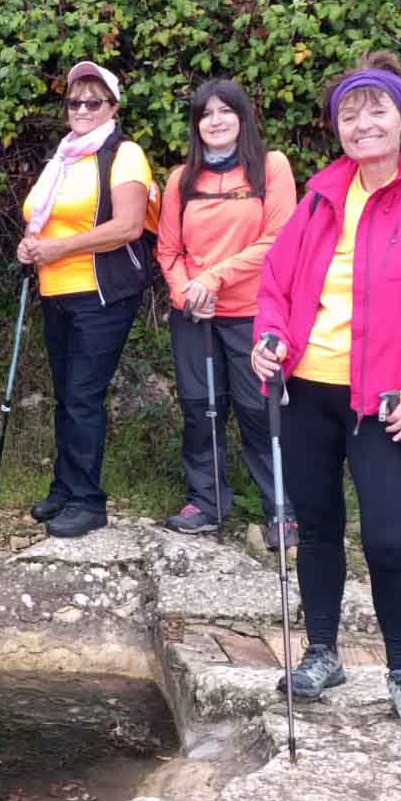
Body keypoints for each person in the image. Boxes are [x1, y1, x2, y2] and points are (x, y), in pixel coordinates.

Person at [250, 50, 401, 733]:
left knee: (389, 540)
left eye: (375, 109)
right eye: (348, 115)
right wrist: (270, 339)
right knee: (318, 528)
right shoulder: (320, 198)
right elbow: (276, 289)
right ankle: (323, 653)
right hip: (307, 392)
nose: (362, 124)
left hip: (393, 403)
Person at [15, 60, 158, 539]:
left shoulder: (125, 154)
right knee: (67, 397)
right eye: (74, 101)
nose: (81, 109)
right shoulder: (64, 158)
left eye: (92, 101)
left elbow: (128, 227)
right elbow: (42, 220)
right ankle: (65, 487)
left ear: (112, 107)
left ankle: (88, 501)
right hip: (56, 290)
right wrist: (30, 245)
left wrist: (55, 248)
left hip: (102, 292)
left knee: (82, 397)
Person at [156, 79, 296, 537]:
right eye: (205, 114)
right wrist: (185, 294)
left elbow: (278, 241)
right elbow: (168, 251)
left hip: (253, 311)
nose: (215, 121)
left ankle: (281, 506)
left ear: (242, 117)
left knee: (260, 409)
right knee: (202, 409)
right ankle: (206, 500)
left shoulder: (271, 167)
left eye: (224, 111)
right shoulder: (181, 179)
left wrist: (213, 278)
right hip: (195, 314)